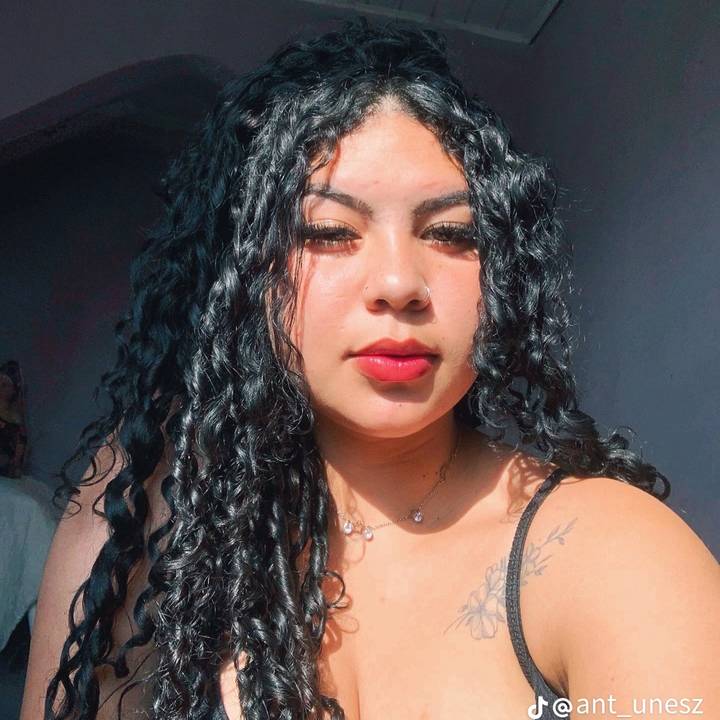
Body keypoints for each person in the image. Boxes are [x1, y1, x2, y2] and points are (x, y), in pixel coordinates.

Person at [20, 17, 720, 720]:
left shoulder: (609, 549)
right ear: (241, 270)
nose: (398, 283)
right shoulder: (152, 507)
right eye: (329, 232)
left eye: (451, 233)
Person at [0, 361, 28, 478]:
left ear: (14, 390)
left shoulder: (14, 418)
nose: (0, 386)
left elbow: (20, 443)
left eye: (4, 385)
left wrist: (15, 464)